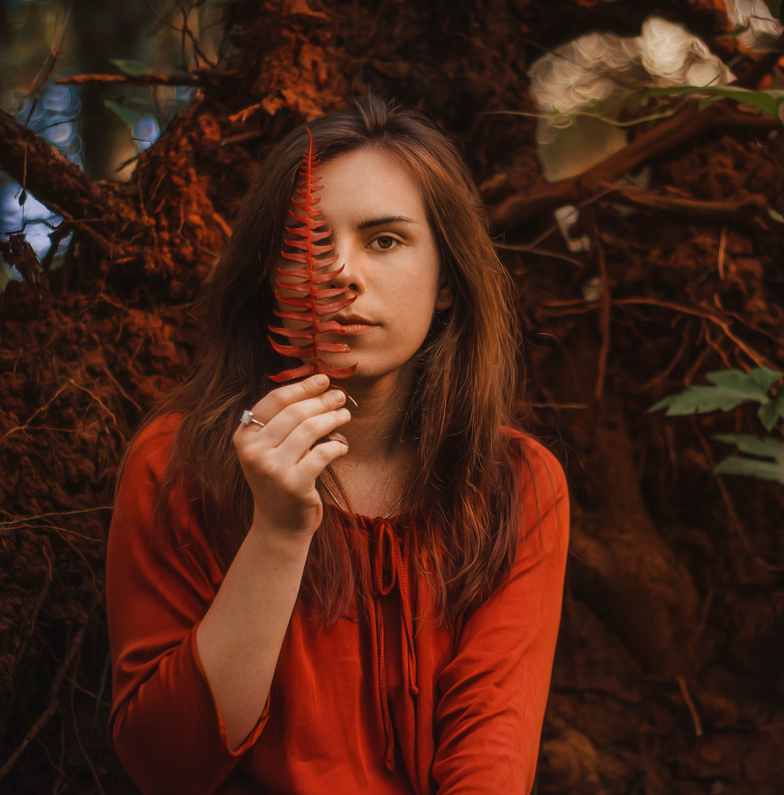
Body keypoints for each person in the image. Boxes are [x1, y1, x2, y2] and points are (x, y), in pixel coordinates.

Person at [106, 94, 570, 795]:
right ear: (271, 277)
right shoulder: (177, 464)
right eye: (308, 243)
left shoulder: (513, 483)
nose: (339, 273)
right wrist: (277, 532)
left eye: (384, 240)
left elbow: (490, 766)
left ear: (447, 280)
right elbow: (167, 768)